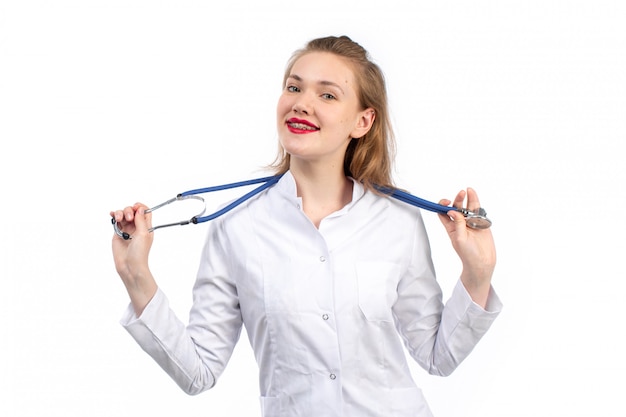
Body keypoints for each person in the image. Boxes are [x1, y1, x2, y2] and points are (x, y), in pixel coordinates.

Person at [111, 35, 501, 417]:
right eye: (293, 87)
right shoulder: (236, 224)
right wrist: (136, 275)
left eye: (327, 95)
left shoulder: (398, 219)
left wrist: (478, 274)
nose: (301, 104)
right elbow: (198, 372)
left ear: (363, 121)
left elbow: (438, 357)